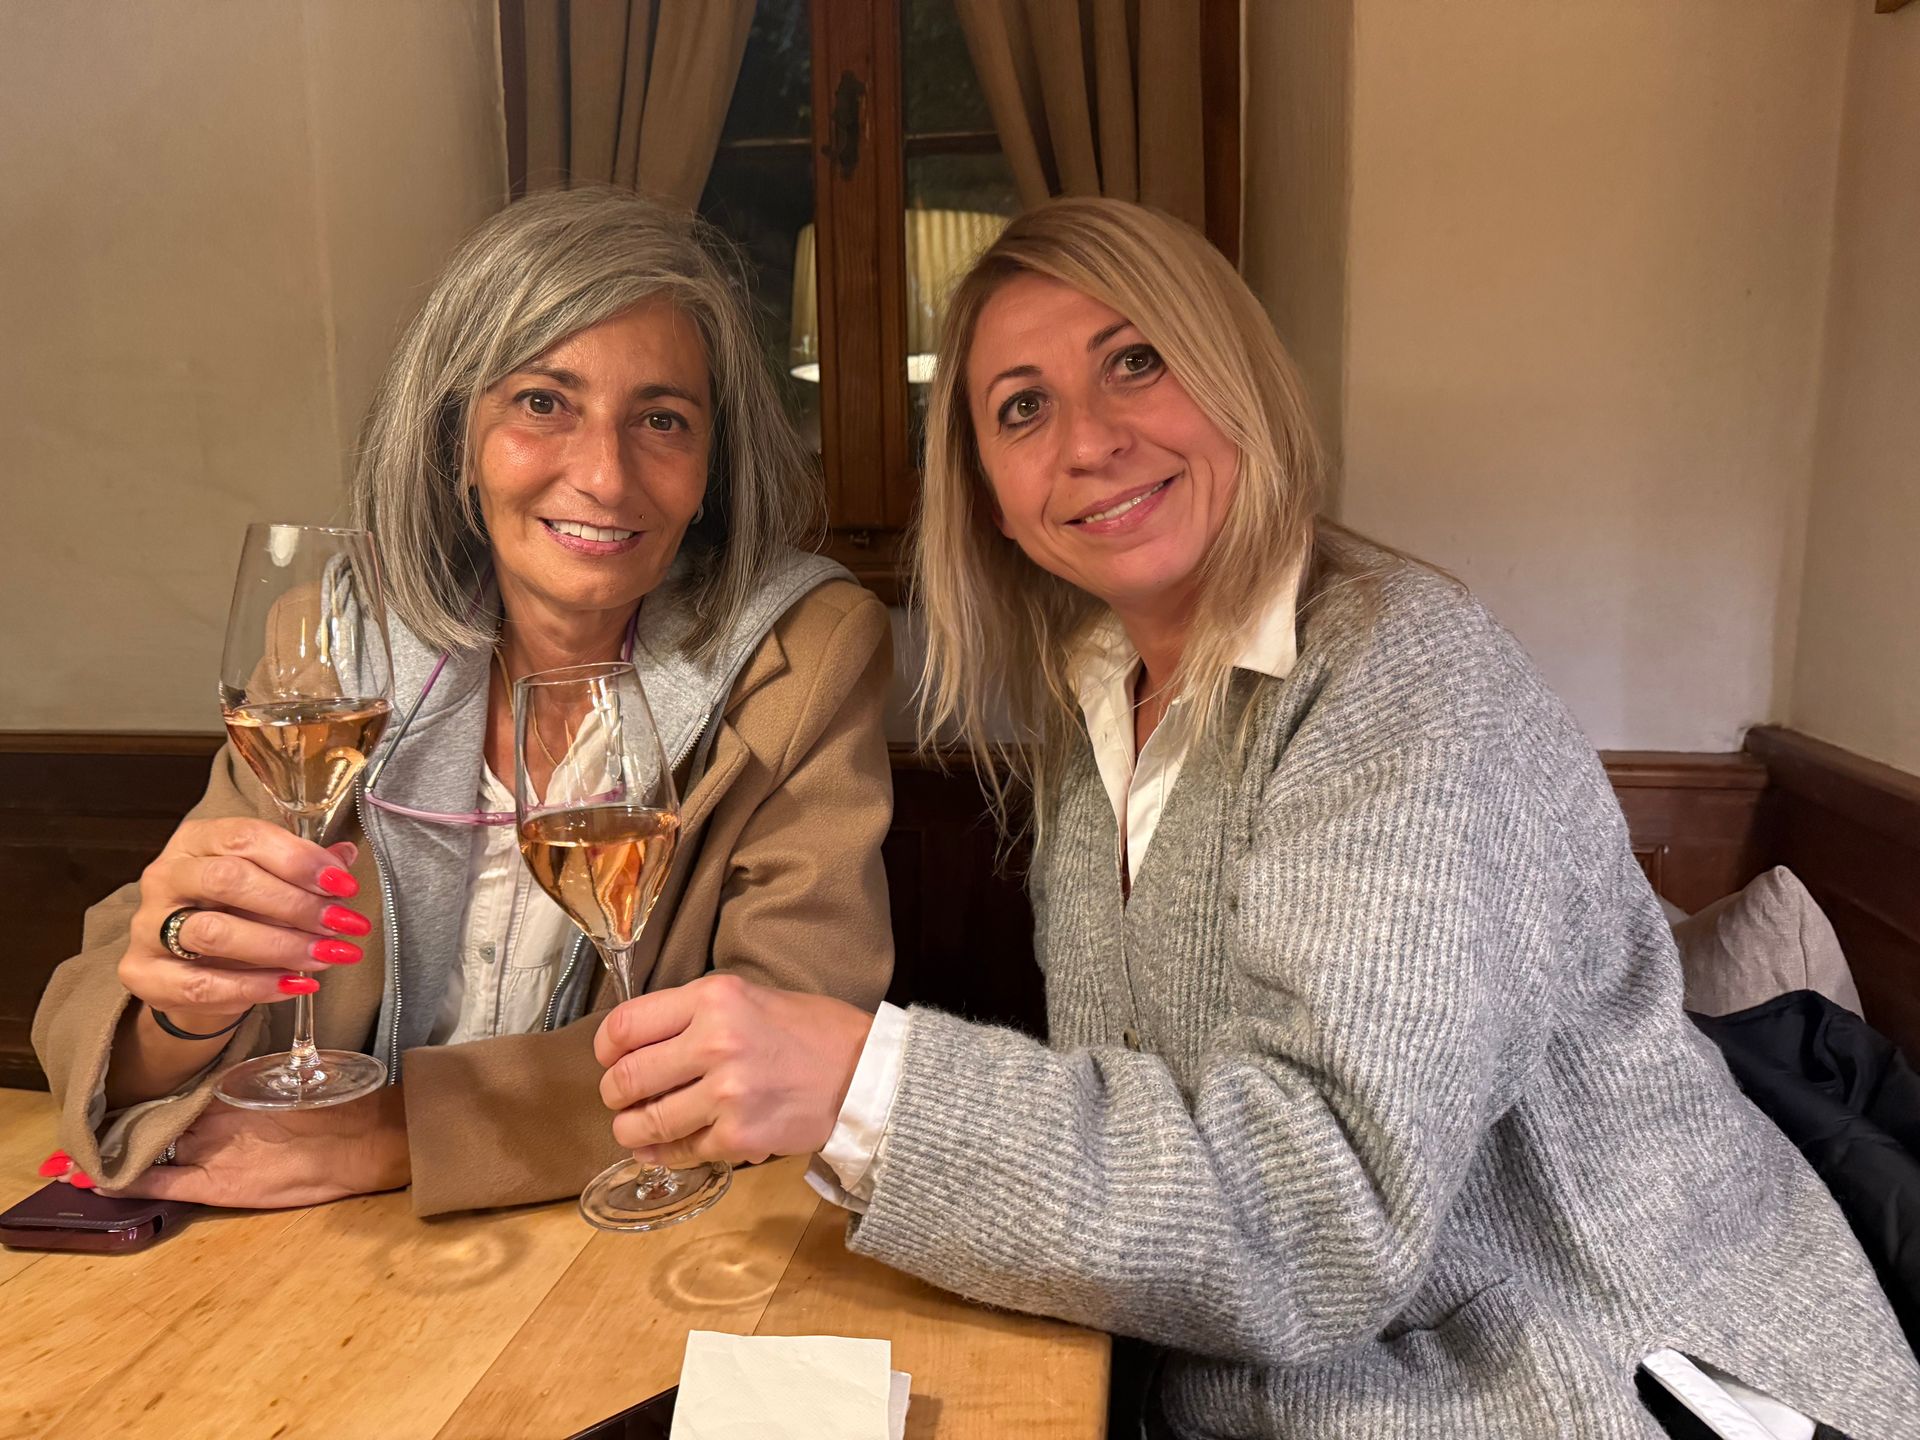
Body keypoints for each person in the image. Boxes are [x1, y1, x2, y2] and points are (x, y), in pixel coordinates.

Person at [586, 199, 1920, 1438]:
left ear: (1239, 381)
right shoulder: (1096, 704)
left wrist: (868, 1086)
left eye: (1137, 362)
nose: (1089, 441)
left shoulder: (1405, 675)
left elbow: (1327, 1212)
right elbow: (1160, 1136)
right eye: (1022, 407)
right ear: (989, 493)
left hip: (1596, 1383)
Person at [32, 188, 893, 1217]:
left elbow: (795, 1032)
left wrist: (400, 1134)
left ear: (711, 468)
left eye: (662, 420)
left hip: (644, 1235)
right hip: (330, 1245)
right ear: (457, 441)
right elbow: (106, 1020)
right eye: (543, 403)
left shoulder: (802, 653)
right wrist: (184, 1011)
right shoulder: (334, 647)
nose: (605, 475)